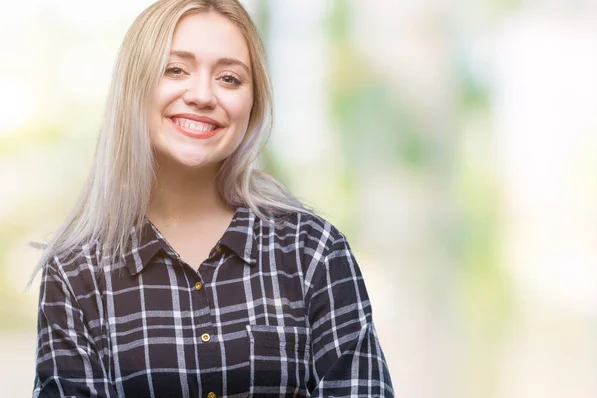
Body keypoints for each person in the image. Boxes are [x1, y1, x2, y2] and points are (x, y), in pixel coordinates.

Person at [31, 0, 394, 396]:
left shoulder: (312, 252)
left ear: (253, 104)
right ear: (134, 84)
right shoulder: (75, 274)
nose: (203, 95)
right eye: (175, 69)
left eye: (229, 78)